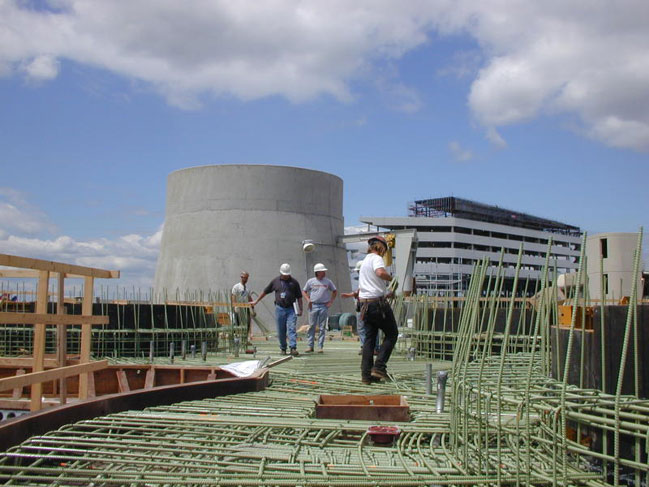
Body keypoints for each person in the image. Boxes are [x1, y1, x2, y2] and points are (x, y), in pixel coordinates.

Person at [358, 235, 398, 385]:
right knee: (392, 333)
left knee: (369, 340)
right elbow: (380, 273)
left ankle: (366, 376)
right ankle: (379, 367)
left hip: (365, 305)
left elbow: (370, 287)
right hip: (377, 305)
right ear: (381, 247)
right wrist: (392, 279)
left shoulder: (364, 262)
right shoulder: (376, 259)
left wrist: (386, 291)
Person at [252, 263, 303, 356]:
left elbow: (299, 297)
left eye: (287, 274)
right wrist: (256, 301)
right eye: (284, 274)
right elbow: (265, 291)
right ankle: (283, 348)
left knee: (291, 328)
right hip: (280, 309)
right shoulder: (275, 281)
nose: (286, 276)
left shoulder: (294, 283)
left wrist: (301, 309)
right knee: (281, 330)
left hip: (291, 309)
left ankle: (293, 348)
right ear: (281, 273)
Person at [341, 260, 379, 356]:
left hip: (364, 306)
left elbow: (358, 292)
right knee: (373, 328)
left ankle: (365, 348)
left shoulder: (364, 280)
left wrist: (349, 295)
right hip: (372, 306)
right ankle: (374, 348)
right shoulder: (372, 279)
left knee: (362, 328)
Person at [302, 263, 337, 353]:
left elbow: (334, 291)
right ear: (317, 272)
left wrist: (331, 302)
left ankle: (320, 347)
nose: (324, 272)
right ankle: (310, 346)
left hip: (323, 306)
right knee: (312, 326)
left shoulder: (328, 281)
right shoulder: (311, 281)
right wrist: (308, 300)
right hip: (313, 306)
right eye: (323, 271)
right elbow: (304, 291)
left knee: (322, 327)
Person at [231, 271, 254, 344]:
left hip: (245, 308)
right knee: (237, 323)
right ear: (241, 277)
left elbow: (250, 298)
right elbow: (233, 296)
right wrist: (235, 306)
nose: (246, 279)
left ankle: (245, 339)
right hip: (238, 308)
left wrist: (252, 308)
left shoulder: (247, 289)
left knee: (247, 323)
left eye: (247, 278)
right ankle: (236, 339)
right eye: (245, 278)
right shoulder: (236, 287)